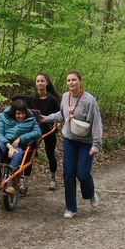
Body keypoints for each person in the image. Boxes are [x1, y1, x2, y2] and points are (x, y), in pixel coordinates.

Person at [41, 71, 103, 218]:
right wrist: (46, 119)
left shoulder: (89, 100)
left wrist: (96, 144)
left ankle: (90, 192)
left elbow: (96, 123)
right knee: (68, 174)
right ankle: (71, 208)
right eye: (68, 80)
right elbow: (62, 115)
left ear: (80, 81)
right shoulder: (64, 97)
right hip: (69, 140)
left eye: (74, 80)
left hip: (86, 142)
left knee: (82, 173)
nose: (71, 83)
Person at [0, 99, 41, 194]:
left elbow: (38, 132)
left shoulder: (31, 120)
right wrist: (9, 146)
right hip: (4, 143)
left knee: (17, 153)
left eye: (23, 113)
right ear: (13, 113)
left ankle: (11, 181)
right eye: (18, 113)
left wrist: (21, 138)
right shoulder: (3, 118)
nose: (21, 116)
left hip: (18, 146)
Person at [27, 73, 61, 190]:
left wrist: (57, 124)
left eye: (42, 81)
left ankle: (53, 179)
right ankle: (24, 182)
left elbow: (60, 115)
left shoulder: (53, 100)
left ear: (47, 83)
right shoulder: (31, 98)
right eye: (38, 81)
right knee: (29, 153)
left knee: (50, 154)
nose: (40, 83)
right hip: (34, 130)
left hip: (49, 130)